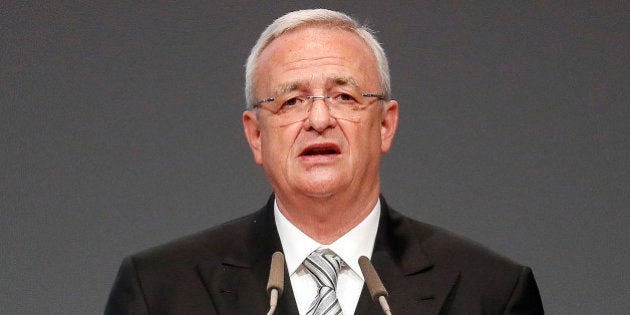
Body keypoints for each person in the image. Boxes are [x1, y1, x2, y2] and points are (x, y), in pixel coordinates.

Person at [105, 9, 544, 314]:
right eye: (292, 100)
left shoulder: (489, 292)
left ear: (386, 125)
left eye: (344, 97)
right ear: (256, 135)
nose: (318, 119)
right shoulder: (160, 291)